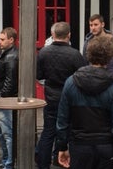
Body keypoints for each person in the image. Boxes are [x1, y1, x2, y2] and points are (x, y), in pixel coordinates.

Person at [56, 35, 113, 169]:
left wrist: (62, 146)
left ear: (88, 54)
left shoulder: (71, 82)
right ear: (110, 56)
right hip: (105, 146)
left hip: (79, 145)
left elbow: (63, 119)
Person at [35, 22, 87, 169]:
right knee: (68, 131)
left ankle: (43, 164)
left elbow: (39, 75)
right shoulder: (75, 54)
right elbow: (82, 77)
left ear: (53, 35)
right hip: (70, 97)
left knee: (48, 131)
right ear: (68, 35)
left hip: (51, 96)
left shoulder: (43, 52)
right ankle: (62, 160)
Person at [0, 27, 19, 169]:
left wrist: (2, 95)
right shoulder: (7, 54)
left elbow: (10, 80)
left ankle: (9, 162)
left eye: (2, 39)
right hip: (1, 98)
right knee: (1, 132)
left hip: (5, 99)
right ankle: (6, 161)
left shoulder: (11, 56)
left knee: (6, 132)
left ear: (11, 40)